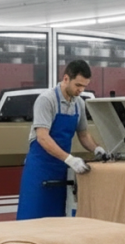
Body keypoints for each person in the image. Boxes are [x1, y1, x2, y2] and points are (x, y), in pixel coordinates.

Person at [16, 59, 107, 220]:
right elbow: (43, 137)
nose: (81, 90)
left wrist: (97, 149)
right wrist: (70, 159)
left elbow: (83, 134)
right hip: (39, 170)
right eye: (78, 85)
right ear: (66, 79)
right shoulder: (46, 100)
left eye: (84, 86)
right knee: (32, 220)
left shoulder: (79, 104)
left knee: (57, 222)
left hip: (61, 171)